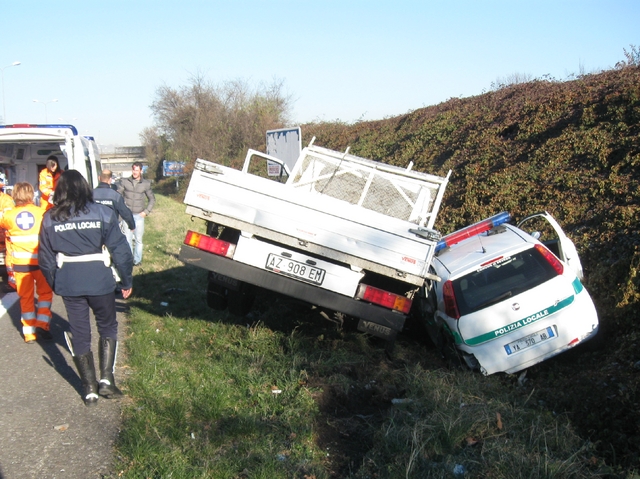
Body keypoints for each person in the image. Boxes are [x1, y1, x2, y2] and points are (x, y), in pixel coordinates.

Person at [38, 170, 133, 407]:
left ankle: (89, 389)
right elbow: (121, 251)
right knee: (107, 326)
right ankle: (107, 380)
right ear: (85, 187)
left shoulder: (50, 218)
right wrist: (126, 280)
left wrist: (56, 283)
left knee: (80, 333)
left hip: (70, 282)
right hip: (100, 279)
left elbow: (45, 259)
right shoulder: (103, 212)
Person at [0, 183, 53, 343]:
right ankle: (42, 324)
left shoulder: (8, 217)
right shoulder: (41, 213)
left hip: (20, 265)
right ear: (31, 195)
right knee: (45, 294)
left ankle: (29, 334)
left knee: (26, 297)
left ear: (14, 195)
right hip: (41, 263)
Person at [117, 162, 155, 265]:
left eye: (137, 170)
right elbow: (117, 196)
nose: (135, 172)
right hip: (127, 216)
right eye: (133, 170)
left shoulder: (146, 184)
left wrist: (146, 212)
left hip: (139, 216)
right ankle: (129, 260)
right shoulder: (125, 182)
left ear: (141, 171)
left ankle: (137, 260)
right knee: (127, 240)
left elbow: (152, 199)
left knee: (138, 240)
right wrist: (121, 209)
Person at [0, 182, 16, 290]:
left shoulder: (6, 201)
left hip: (3, 235)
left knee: (10, 258)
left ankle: (12, 282)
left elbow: (8, 219)